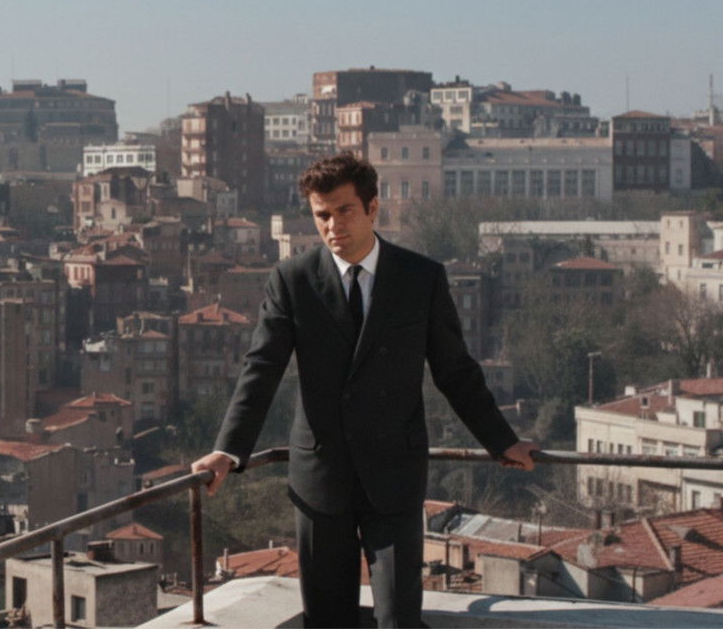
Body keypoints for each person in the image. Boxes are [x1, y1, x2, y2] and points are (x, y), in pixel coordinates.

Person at [191, 152, 539, 628]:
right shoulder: (291, 281)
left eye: (344, 211)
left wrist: (502, 441)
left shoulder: (421, 278)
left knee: (399, 618)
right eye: (322, 215)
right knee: (327, 621)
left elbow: (455, 371)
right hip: (320, 478)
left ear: (372, 208)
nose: (333, 226)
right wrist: (228, 450)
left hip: (394, 475)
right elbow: (262, 367)